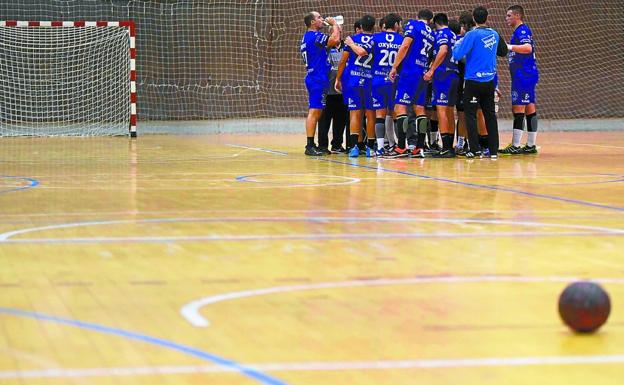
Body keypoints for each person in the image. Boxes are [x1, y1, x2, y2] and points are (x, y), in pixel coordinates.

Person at [451, 6, 508, 159]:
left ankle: (475, 150)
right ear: (487, 18)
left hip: (473, 81)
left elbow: (457, 55)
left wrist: (457, 45)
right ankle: (494, 150)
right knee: (490, 115)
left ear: (474, 19)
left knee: (470, 115)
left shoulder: (471, 35)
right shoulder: (494, 33)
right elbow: (504, 52)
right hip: (489, 81)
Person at [386, 9, 435, 158]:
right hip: (422, 72)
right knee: (420, 109)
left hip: (409, 72)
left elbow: (406, 45)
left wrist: (394, 67)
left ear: (418, 17)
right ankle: (419, 148)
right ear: (430, 20)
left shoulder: (413, 25)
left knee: (399, 107)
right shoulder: (432, 34)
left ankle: (401, 148)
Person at [500, 5, 540, 155]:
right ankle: (530, 145)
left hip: (524, 75)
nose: (506, 18)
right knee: (530, 107)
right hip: (524, 75)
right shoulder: (518, 31)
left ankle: (516, 145)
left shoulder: (522, 30)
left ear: (517, 15)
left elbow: (528, 48)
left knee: (518, 108)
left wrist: (509, 47)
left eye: (509, 15)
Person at [335, 15, 377, 158]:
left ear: (361, 27)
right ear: (373, 26)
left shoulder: (352, 39)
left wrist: (338, 78)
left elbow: (342, 61)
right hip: (370, 81)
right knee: (370, 114)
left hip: (353, 80)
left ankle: (354, 147)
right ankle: (370, 148)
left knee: (355, 113)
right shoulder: (376, 40)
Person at [300, 12, 341, 156]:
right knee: (314, 111)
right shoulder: (314, 36)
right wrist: (334, 24)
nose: (321, 19)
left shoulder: (307, 37)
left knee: (317, 112)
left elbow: (325, 48)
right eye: (318, 18)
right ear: (312, 22)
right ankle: (309, 145)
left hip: (317, 78)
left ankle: (313, 144)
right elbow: (335, 40)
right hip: (317, 79)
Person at [423, 13, 459, 158]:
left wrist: (431, 70)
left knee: (441, 111)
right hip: (454, 74)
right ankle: (449, 147)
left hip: (444, 75)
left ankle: (445, 147)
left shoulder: (442, 33)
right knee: (450, 111)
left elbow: (443, 50)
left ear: (436, 22)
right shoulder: (453, 34)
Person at [370, 13, 403, 156]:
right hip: (394, 80)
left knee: (379, 115)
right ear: (396, 25)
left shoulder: (375, 38)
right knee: (396, 113)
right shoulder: (402, 39)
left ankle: (380, 148)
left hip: (377, 79)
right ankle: (396, 146)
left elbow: (365, 53)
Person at [317, 34, 349, 154]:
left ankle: (337, 144)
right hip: (327, 90)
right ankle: (322, 145)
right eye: (336, 31)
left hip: (342, 90)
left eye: (340, 31)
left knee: (340, 119)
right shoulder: (324, 47)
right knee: (324, 119)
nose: (338, 33)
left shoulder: (346, 47)